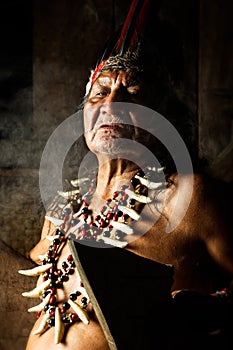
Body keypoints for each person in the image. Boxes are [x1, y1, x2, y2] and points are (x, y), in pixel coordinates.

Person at [20, 1, 233, 349]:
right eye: (100, 92)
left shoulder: (190, 199)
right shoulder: (61, 216)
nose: (111, 104)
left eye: (132, 94)